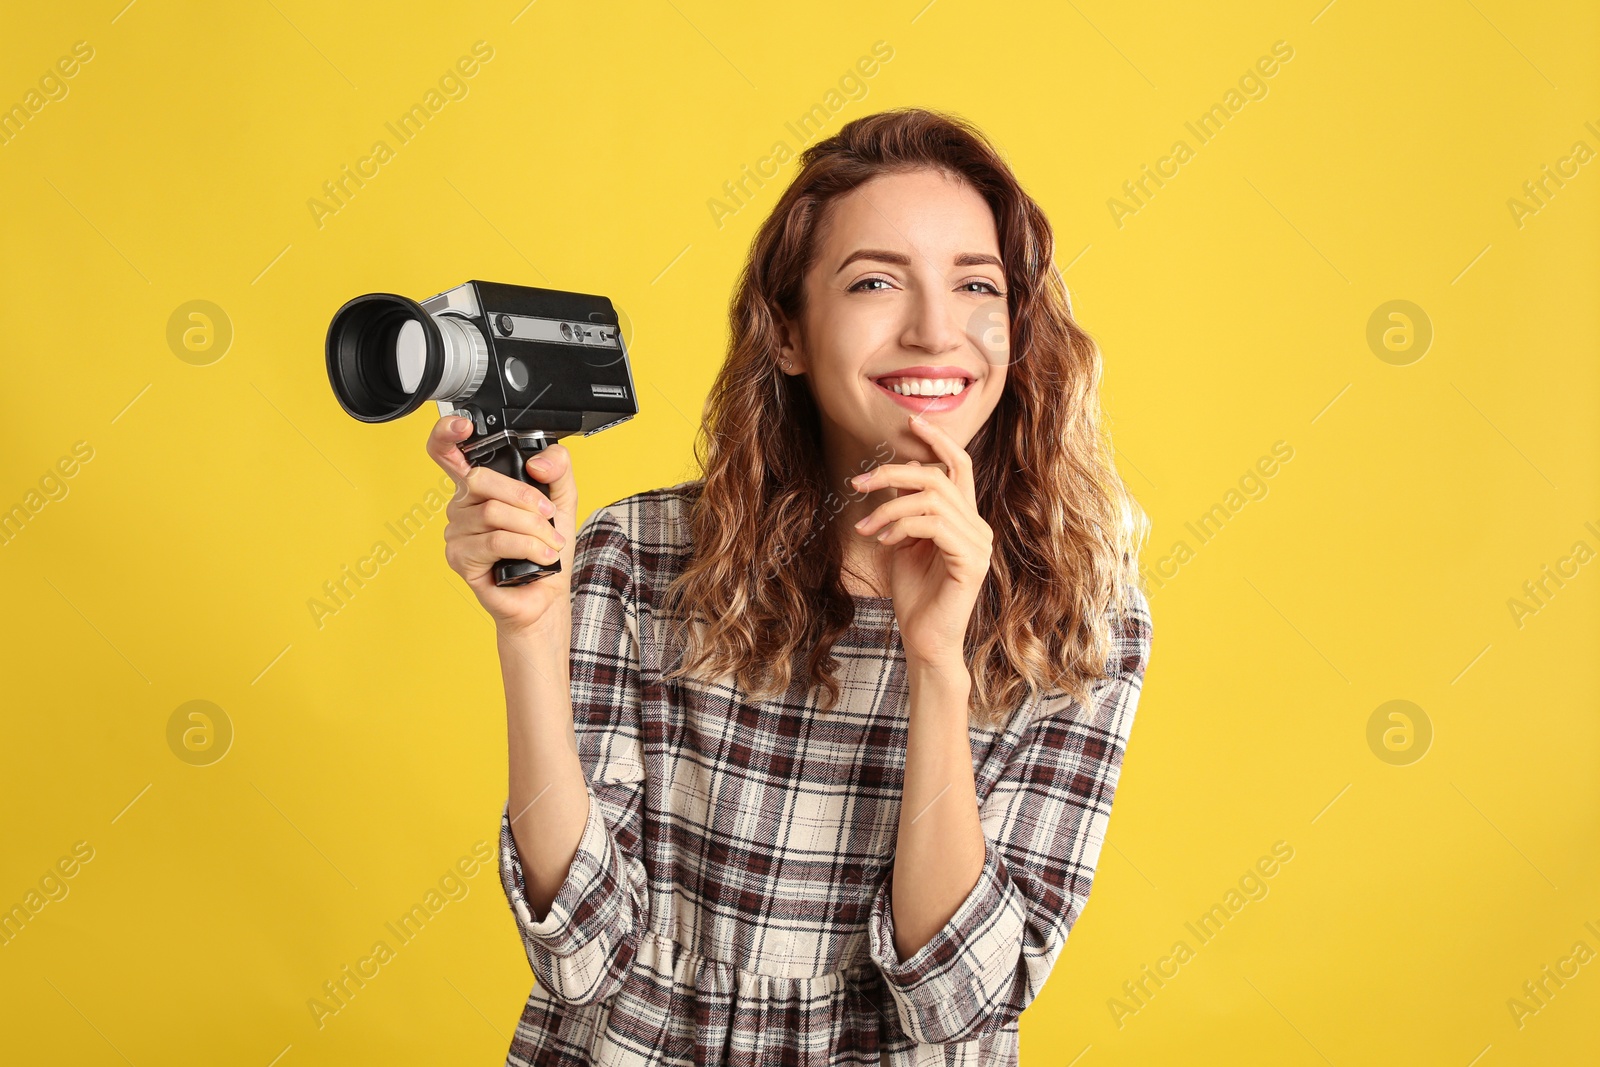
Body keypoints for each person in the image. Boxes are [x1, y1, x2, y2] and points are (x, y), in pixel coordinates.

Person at [425, 107, 1153, 1067]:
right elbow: (580, 958)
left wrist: (936, 658)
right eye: (875, 281)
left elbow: (957, 1002)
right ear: (788, 333)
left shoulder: (1080, 613)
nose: (937, 330)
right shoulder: (636, 554)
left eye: (976, 284)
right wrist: (530, 627)